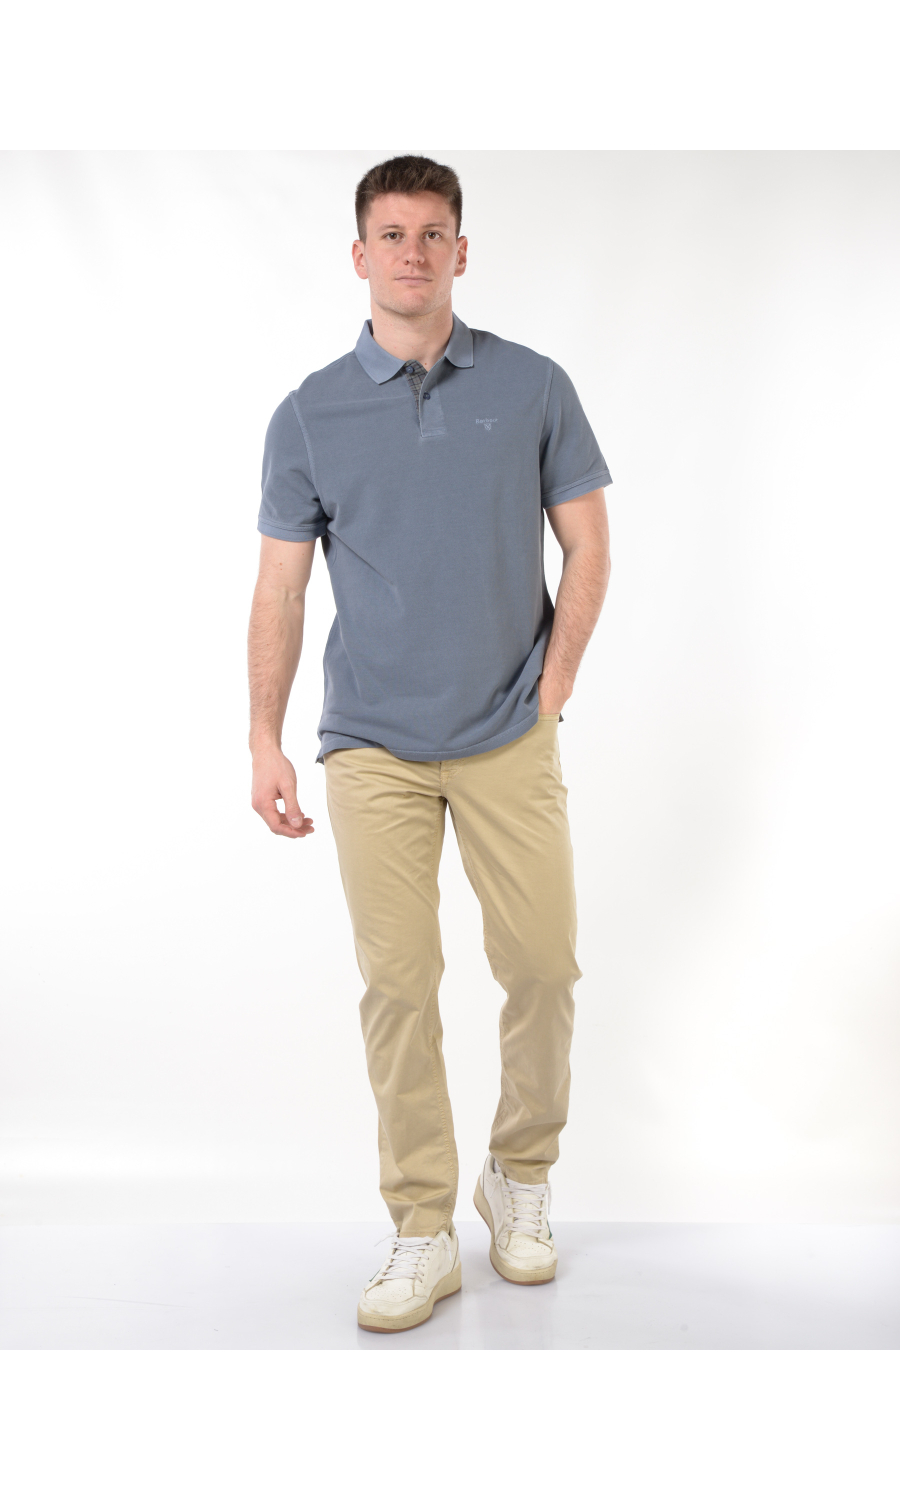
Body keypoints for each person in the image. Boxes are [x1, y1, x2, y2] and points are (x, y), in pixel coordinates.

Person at [247, 155, 612, 1333]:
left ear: (462, 250)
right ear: (361, 255)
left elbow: (589, 544)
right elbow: (281, 591)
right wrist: (264, 739)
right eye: (393, 234)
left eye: (434, 232)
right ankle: (421, 1226)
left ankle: (520, 1175)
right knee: (399, 987)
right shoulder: (309, 414)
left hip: (508, 729)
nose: (414, 252)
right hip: (372, 745)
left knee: (544, 967)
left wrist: (553, 686)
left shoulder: (534, 386)